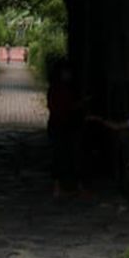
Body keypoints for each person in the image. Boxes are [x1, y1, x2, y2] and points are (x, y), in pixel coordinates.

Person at [45, 55, 86, 197]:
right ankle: (59, 186)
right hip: (60, 125)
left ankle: (74, 186)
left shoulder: (66, 88)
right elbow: (57, 107)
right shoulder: (58, 89)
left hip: (68, 125)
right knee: (60, 155)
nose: (68, 75)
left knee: (73, 155)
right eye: (65, 72)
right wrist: (76, 106)